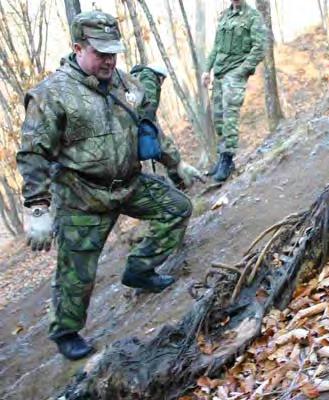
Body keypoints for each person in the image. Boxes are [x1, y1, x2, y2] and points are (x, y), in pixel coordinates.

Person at [16, 11, 203, 361]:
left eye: (113, 52)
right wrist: (37, 208)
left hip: (129, 183)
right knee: (77, 272)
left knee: (176, 209)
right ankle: (66, 331)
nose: (109, 59)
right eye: (101, 53)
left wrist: (176, 162)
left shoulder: (125, 84)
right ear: (78, 48)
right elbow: (32, 153)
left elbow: (148, 129)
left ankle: (140, 269)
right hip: (82, 196)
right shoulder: (52, 95)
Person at [202, 0, 266, 182]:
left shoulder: (252, 16)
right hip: (220, 73)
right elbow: (216, 47)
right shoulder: (224, 16)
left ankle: (227, 158)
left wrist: (242, 70)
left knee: (230, 115)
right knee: (219, 118)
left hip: (235, 73)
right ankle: (224, 159)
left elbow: (259, 48)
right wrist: (207, 69)